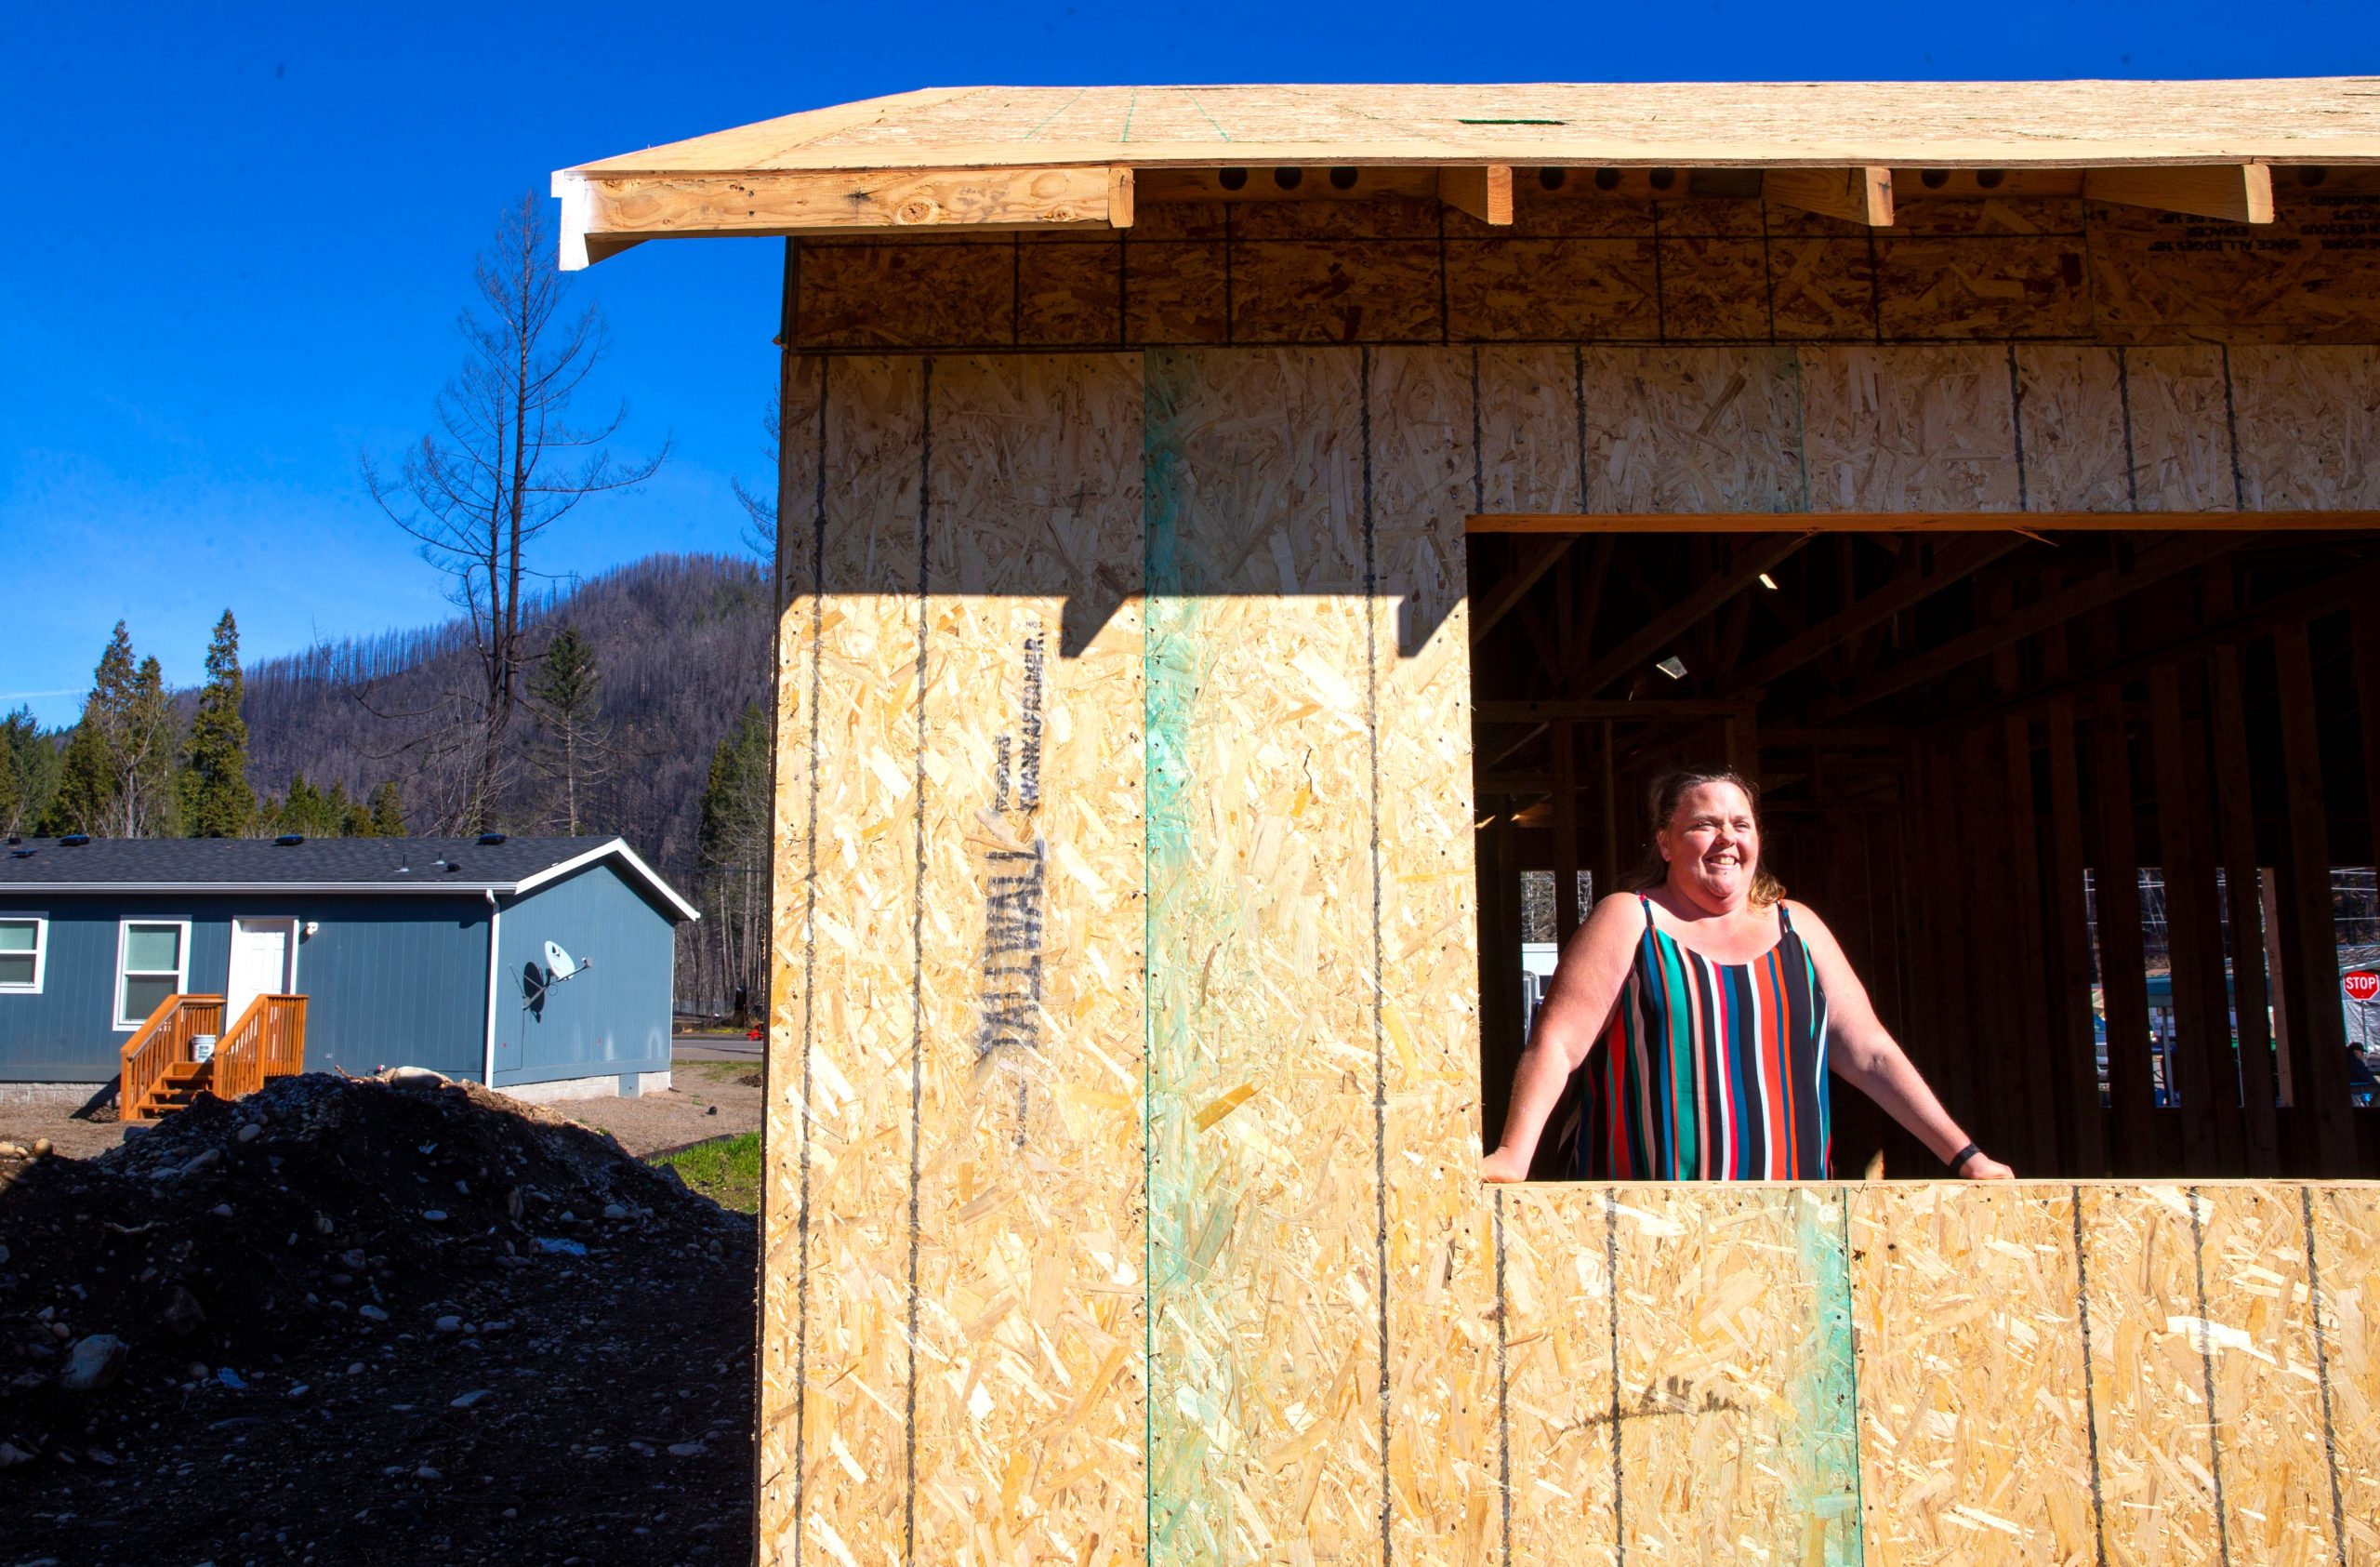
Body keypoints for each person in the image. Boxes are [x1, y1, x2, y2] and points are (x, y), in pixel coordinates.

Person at [1483, 767, 2014, 1183]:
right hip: (1647, 1226)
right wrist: (1513, 1155)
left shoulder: (1797, 927)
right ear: (1665, 843)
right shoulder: (1631, 918)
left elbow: (1871, 1052)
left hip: (1792, 1225)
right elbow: (1557, 1044)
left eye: (1740, 824)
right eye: (1703, 824)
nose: (1726, 839)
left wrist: (1966, 1156)